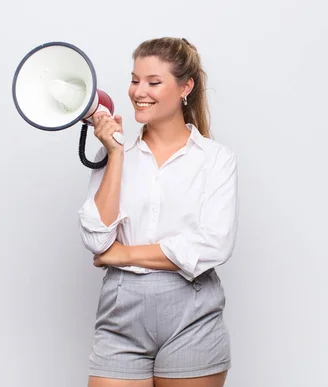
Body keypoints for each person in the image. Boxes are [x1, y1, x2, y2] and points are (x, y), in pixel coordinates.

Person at [78, 37, 239, 387]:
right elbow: (96, 238)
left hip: (191, 312)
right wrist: (116, 153)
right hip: (121, 310)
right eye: (135, 80)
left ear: (186, 87)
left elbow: (213, 245)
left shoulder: (215, 160)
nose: (139, 92)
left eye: (153, 82)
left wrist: (123, 254)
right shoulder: (116, 152)